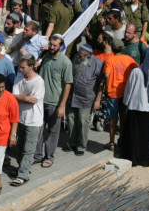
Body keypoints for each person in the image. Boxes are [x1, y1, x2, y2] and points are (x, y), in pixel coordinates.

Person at [118, 48, 149, 167]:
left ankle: (133, 158)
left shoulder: (136, 72)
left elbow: (129, 89)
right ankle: (145, 159)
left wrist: (126, 102)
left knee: (134, 134)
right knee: (147, 136)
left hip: (135, 108)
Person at [35, 34, 72, 168]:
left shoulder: (65, 62)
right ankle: (37, 155)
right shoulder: (45, 57)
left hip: (54, 103)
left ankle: (49, 157)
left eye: (55, 45)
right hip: (40, 101)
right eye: (50, 44)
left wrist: (62, 106)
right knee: (38, 130)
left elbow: (68, 84)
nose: (51, 47)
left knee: (52, 132)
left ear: (61, 47)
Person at [10, 56, 45, 186]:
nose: (20, 69)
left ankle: (23, 175)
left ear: (31, 67)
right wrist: (24, 97)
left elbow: (33, 100)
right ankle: (21, 168)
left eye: (23, 67)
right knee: (20, 147)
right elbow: (13, 96)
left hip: (33, 120)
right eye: (20, 66)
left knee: (28, 149)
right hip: (20, 118)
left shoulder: (38, 82)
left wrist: (19, 97)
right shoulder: (19, 77)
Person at [65, 44, 103, 156]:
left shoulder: (98, 64)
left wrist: (98, 100)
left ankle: (81, 145)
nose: (79, 56)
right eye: (78, 54)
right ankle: (72, 142)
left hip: (86, 98)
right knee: (71, 120)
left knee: (82, 121)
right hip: (73, 96)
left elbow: (101, 84)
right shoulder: (76, 59)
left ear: (88, 57)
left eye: (81, 56)